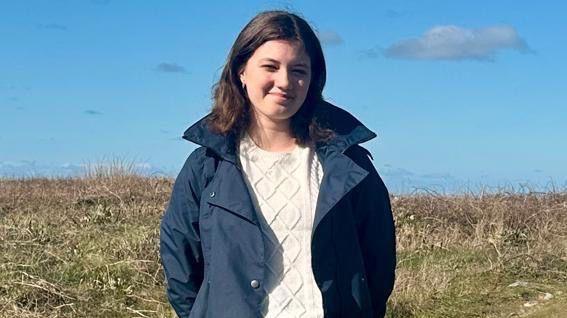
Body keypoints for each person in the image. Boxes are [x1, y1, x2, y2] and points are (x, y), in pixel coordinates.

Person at [160, 10, 396, 318]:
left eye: (299, 70)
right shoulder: (207, 165)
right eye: (270, 66)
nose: (285, 82)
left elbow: (378, 260)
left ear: (313, 80)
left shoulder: (348, 163)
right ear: (241, 71)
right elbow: (180, 258)